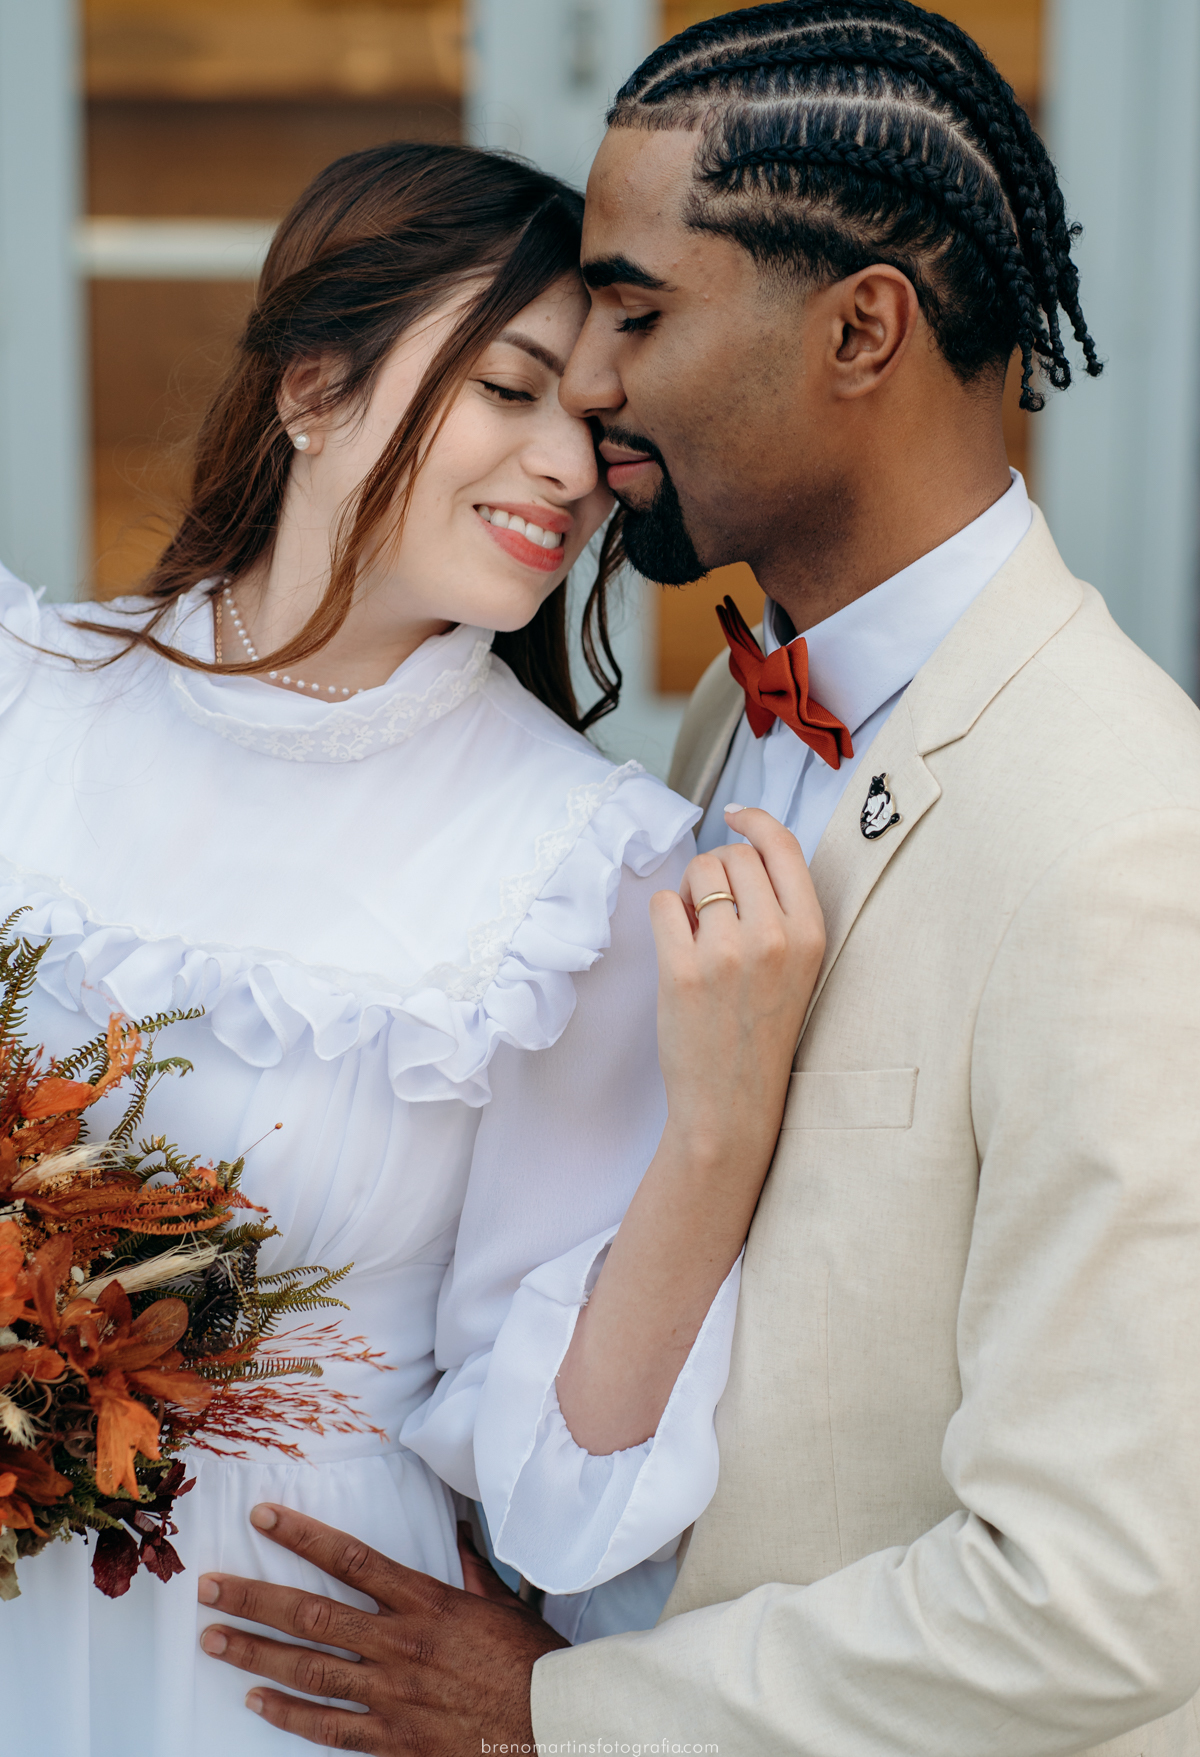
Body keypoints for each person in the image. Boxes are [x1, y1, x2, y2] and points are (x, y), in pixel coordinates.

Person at [197, 5, 1200, 1755]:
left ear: (861, 327)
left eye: (635, 312)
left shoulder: (1121, 835)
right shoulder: (736, 735)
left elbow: (1100, 1589)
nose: (587, 383)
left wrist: (562, 1712)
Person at [0, 138, 823, 1755]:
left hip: (286, 1657)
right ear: (315, 381)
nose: (568, 469)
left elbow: (561, 1473)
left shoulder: (580, 871)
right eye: (508, 389)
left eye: (597, 426)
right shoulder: (28, 701)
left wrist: (715, 1142)